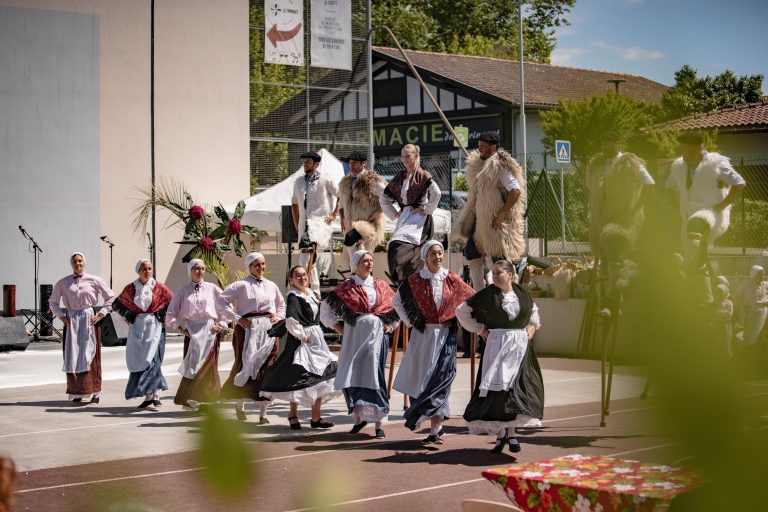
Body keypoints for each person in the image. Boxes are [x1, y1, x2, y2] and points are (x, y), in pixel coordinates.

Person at [392, 240, 475, 444]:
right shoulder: (415, 280)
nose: (438, 257)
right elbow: (397, 301)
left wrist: (468, 322)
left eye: (440, 253)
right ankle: (423, 414)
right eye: (433, 254)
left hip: (445, 337)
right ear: (425, 257)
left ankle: (435, 429)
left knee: (441, 380)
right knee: (421, 380)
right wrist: (411, 321)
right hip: (423, 335)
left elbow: (471, 299)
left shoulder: (452, 279)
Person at [456, 259, 543, 454]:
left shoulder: (523, 295)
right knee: (499, 392)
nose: (494, 277)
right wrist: (480, 330)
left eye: (498, 273)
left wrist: (531, 327)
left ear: (510, 275)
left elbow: (534, 314)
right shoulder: (486, 295)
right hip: (497, 346)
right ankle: (506, 435)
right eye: (493, 273)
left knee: (514, 391)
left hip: (519, 348)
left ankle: (507, 435)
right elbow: (461, 312)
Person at [320, 249, 399, 438]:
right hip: (354, 338)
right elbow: (326, 309)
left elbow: (396, 308)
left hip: (376, 337)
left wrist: (390, 326)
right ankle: (358, 419)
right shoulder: (347, 287)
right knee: (352, 375)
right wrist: (339, 329)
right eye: (365, 261)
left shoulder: (380, 285)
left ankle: (380, 423)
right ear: (356, 265)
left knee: (375, 375)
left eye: (371, 260)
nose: (369, 263)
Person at [261, 266, 340, 429]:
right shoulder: (293, 296)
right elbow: (290, 318)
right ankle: (293, 414)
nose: (302, 278)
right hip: (301, 341)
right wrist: (301, 335)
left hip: (317, 339)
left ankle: (316, 418)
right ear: (291, 279)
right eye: (298, 275)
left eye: (304, 275)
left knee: (322, 376)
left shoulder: (311, 293)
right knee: (297, 375)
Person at [586, 130, 656, 315]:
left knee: (612, 248)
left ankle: (613, 300)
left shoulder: (630, 162)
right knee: (606, 257)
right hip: (601, 220)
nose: (605, 146)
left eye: (609, 142)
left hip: (624, 221)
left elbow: (650, 183)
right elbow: (591, 190)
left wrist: (636, 207)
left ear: (618, 143)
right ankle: (609, 299)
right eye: (603, 143)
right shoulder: (598, 165)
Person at [452, 132, 526, 291]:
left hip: (494, 220)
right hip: (480, 220)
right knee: (471, 250)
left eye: (483, 147)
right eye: (479, 147)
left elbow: (515, 191)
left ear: (493, 147)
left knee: (499, 256)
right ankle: (479, 290)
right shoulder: (478, 165)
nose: (480, 150)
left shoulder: (500, 166)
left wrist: (502, 213)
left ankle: (511, 290)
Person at [219, 252, 285, 423]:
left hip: (268, 329)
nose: (261, 267)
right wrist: (237, 318)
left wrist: (277, 317)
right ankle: (240, 404)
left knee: (267, 365)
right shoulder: (240, 285)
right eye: (257, 264)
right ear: (249, 267)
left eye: (263, 264)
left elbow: (281, 304)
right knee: (244, 363)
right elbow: (221, 301)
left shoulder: (271, 285)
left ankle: (263, 413)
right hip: (247, 328)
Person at [666, 131, 746, 271]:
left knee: (695, 225)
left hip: (711, 213)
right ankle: (702, 273)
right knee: (697, 265)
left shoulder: (716, 162)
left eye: (687, 148)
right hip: (687, 217)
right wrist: (676, 210)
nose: (684, 152)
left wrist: (721, 206)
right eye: (682, 148)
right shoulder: (678, 165)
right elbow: (668, 188)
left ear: (698, 148)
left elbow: (739, 183)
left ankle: (688, 264)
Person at [166, 259, 233, 411]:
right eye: (196, 268)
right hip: (191, 331)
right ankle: (189, 399)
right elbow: (171, 312)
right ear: (190, 270)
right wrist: (179, 327)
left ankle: (207, 400)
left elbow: (226, 307)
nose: (200, 271)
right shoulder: (182, 291)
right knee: (192, 365)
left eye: (202, 268)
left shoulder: (212, 288)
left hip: (209, 330)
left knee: (208, 366)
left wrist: (221, 324)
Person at [49, 252, 116, 404]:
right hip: (72, 320)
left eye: (80, 261)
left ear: (84, 262)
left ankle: (95, 391)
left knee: (91, 355)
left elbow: (110, 297)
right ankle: (77, 392)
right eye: (74, 261)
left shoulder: (95, 280)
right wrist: (61, 315)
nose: (77, 264)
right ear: (71, 264)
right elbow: (52, 302)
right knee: (73, 355)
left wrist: (101, 314)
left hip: (88, 320)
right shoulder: (63, 282)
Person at [113, 258, 173, 408]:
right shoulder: (131, 288)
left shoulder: (159, 287)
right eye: (144, 269)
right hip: (138, 328)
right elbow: (118, 304)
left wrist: (164, 318)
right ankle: (148, 396)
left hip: (155, 327)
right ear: (138, 271)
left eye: (149, 269)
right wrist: (128, 317)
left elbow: (172, 301)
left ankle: (156, 394)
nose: (147, 272)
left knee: (154, 361)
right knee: (141, 361)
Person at [380, 144, 441, 285]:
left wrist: (426, 209)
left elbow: (436, 193)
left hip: (420, 220)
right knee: (395, 247)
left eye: (408, 156)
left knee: (412, 251)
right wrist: (394, 213)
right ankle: (405, 281)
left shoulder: (423, 175)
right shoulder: (400, 177)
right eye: (403, 156)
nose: (405, 159)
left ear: (416, 156)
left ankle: (413, 281)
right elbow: (383, 197)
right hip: (405, 218)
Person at [291, 150, 340, 293]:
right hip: (303, 225)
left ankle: (310, 291)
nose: (304, 164)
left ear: (316, 164)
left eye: (308, 162)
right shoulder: (298, 182)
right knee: (306, 257)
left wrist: (334, 214)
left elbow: (340, 195)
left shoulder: (325, 179)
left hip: (319, 223)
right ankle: (312, 291)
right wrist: (296, 221)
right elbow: (294, 202)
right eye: (304, 162)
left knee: (307, 256)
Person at [339, 150, 387, 267]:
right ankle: (356, 283)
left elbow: (388, 198)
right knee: (353, 259)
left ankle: (365, 283)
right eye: (350, 163)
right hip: (350, 225)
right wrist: (342, 219)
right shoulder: (345, 182)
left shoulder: (372, 180)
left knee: (364, 258)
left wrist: (377, 213)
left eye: (354, 163)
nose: (351, 165)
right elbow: (341, 202)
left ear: (363, 163)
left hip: (367, 225)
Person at [734, 265, 768, 362]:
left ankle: (760, 361)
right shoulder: (746, 285)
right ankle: (749, 361)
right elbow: (736, 296)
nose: (762, 276)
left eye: (763, 274)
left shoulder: (766, 285)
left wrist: (763, 303)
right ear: (754, 275)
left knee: (761, 338)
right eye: (760, 274)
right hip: (751, 316)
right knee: (749, 338)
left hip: (764, 316)